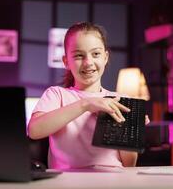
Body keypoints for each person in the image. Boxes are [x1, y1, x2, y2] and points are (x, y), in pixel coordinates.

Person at [28, 22, 146, 170]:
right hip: (68, 181)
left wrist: (131, 132)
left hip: (113, 179)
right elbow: (34, 130)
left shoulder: (120, 100)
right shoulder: (57, 95)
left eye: (96, 54)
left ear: (105, 57)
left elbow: (129, 164)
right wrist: (85, 104)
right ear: (66, 61)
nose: (88, 62)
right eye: (79, 55)